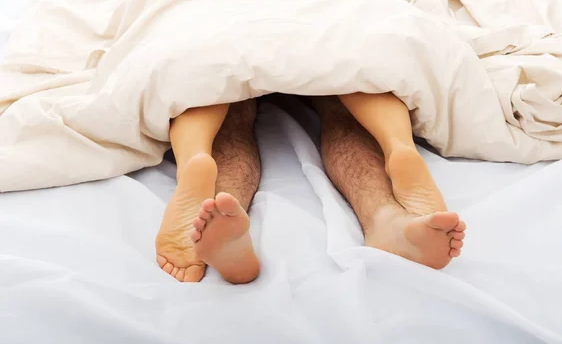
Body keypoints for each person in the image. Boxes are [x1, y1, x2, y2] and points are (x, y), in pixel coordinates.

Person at [155, 93, 466, 283]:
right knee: (348, 79)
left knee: (216, 85)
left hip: (228, 5)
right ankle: (394, 171)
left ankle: (200, 169)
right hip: (324, 0)